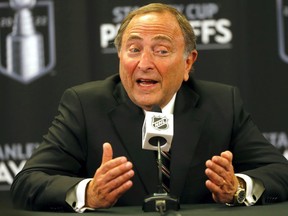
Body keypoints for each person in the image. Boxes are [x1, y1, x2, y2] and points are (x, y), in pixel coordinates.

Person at [11, 3, 288, 212]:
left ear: (188, 63)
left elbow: (280, 172)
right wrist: (88, 193)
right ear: (120, 56)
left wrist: (238, 188)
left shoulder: (221, 103)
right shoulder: (85, 104)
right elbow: (28, 182)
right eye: (133, 49)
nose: (144, 63)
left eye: (161, 50)